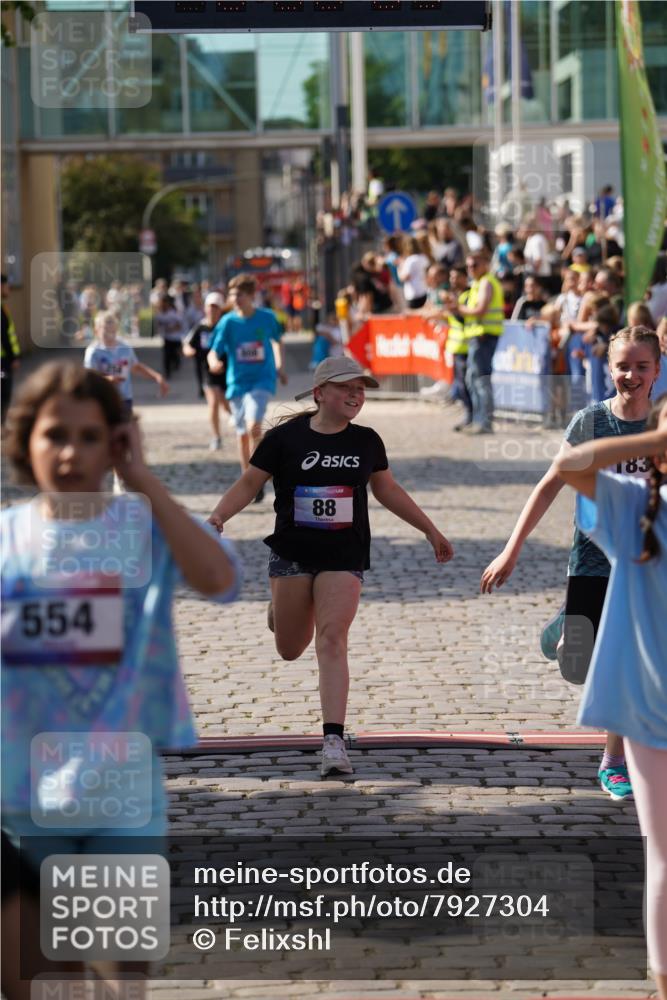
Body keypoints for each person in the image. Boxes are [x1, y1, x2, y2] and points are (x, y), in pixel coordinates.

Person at [1, 362, 241, 992]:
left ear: (116, 441)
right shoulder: (6, 540)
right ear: (25, 440)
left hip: (121, 799)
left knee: (120, 981)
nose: (70, 453)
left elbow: (220, 580)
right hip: (19, 800)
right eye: (54, 435)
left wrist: (144, 482)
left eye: (89, 437)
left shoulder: (142, 529)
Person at [208, 356, 454, 778]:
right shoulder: (284, 439)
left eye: (360, 389)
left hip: (345, 553)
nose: (356, 395)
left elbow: (388, 490)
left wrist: (430, 530)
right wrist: (218, 516)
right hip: (292, 551)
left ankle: (333, 741)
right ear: (320, 393)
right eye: (346, 387)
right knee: (290, 648)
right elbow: (249, 483)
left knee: (333, 638)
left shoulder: (367, 441)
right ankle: (280, 606)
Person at [480, 326, 662, 799]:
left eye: (641, 366)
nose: (631, 375)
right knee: (578, 667)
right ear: (608, 369)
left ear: (657, 370)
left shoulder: (663, 424)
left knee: (622, 662)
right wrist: (511, 549)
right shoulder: (591, 422)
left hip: (642, 562)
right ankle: (563, 624)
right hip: (592, 559)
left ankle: (613, 761)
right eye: (622, 366)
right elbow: (549, 485)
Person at [554, 394, 667, 1000]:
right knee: (665, 857)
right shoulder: (636, 507)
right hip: (651, 708)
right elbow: (571, 464)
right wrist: (654, 442)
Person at [207, 273, 287, 501]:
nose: (235, 299)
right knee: (242, 434)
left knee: (254, 426)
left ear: (252, 296)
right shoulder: (228, 322)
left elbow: (277, 341)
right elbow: (214, 350)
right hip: (237, 383)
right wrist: (213, 362)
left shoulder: (266, 318)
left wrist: (280, 366)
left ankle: (258, 472)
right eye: (232, 295)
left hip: (262, 379)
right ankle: (249, 481)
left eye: (240, 295)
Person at [442, 251, 504, 434]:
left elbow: (480, 310)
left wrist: (458, 308)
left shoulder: (486, 282)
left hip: (483, 336)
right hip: (477, 337)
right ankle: (478, 419)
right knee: (473, 379)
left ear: (485, 264)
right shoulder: (479, 283)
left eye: (475, 265)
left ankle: (484, 422)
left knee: (480, 380)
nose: (471, 269)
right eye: (469, 265)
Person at [84, 310, 168, 420]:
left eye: (112, 332)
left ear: (116, 330)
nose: (110, 336)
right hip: (103, 400)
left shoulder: (124, 347)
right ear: (96, 331)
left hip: (124, 399)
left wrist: (157, 377)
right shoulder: (93, 352)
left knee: (125, 427)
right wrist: (108, 379)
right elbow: (89, 378)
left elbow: (135, 367)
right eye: (105, 332)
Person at [182, 291, 231, 450]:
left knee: (225, 402)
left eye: (216, 307)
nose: (212, 310)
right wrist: (188, 350)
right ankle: (216, 437)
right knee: (213, 402)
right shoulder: (200, 327)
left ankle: (234, 417)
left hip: (226, 370)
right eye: (210, 307)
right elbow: (187, 343)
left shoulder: (226, 326)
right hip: (206, 372)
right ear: (205, 308)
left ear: (221, 309)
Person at [1, 273, 20, 425]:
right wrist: (13, 357)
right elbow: (4, 336)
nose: (8, 289)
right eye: (6, 286)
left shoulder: (3, 307)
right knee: (4, 394)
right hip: (3, 361)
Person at [154, 293, 185, 380]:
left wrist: (172, 329)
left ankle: (176, 363)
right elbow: (158, 324)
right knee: (167, 355)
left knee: (175, 354)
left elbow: (180, 325)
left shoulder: (174, 313)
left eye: (165, 303)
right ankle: (167, 372)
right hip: (167, 338)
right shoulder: (160, 314)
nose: (163, 305)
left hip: (176, 338)